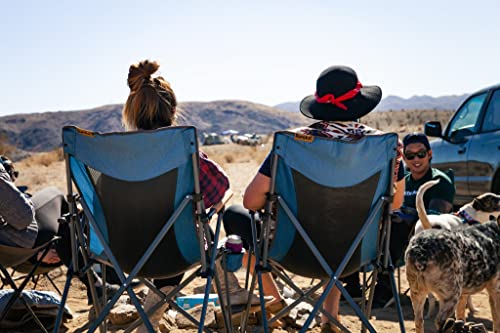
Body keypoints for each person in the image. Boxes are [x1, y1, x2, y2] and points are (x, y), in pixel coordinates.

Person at [223, 65, 405, 332]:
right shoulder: (384, 147)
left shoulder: (295, 143)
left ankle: (275, 300)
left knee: (235, 216)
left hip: (293, 251)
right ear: (359, 103)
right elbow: (396, 204)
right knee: (337, 228)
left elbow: (251, 202)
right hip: (355, 253)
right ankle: (329, 316)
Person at [121, 59, 235, 333]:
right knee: (193, 229)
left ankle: (148, 324)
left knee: (175, 232)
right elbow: (220, 187)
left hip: (119, 251)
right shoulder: (186, 155)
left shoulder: (114, 157)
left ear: (132, 112)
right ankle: (233, 294)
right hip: (176, 249)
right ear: (173, 110)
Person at [0, 155, 116, 303]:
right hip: (18, 248)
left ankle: (98, 282)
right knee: (56, 196)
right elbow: (23, 218)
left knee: (63, 221)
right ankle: (103, 279)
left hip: (5, 257)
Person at [372, 132, 455, 308]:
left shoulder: (440, 181)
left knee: (396, 227)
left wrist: (406, 216)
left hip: (428, 241)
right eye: (410, 155)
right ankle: (352, 285)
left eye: (421, 154)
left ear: (430, 154)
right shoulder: (404, 182)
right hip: (397, 236)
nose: (416, 159)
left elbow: (434, 220)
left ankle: (385, 289)